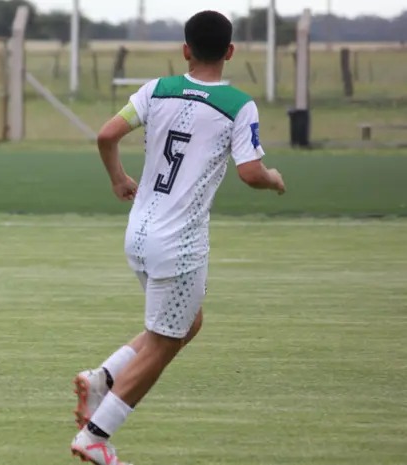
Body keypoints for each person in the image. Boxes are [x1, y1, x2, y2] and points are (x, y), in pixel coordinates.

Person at [69, 11, 286, 465]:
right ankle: (96, 434)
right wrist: (274, 179)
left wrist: (117, 180)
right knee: (164, 342)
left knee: (186, 323)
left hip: (139, 233)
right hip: (180, 242)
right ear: (230, 51)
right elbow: (250, 173)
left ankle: (101, 378)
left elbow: (107, 134)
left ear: (185, 50)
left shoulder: (157, 89)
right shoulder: (238, 103)